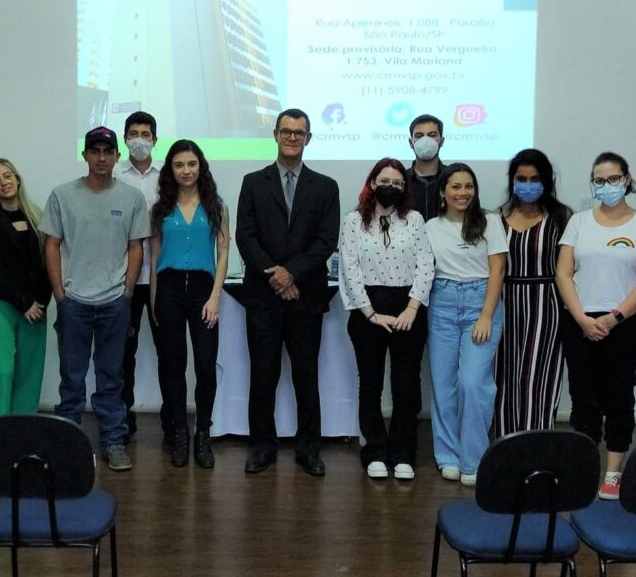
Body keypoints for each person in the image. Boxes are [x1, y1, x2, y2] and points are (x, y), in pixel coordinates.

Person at [236, 108, 340, 476]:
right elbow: (245, 237)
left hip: (306, 297)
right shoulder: (252, 182)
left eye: (299, 132)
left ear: (308, 138)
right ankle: (262, 446)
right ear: (275, 135)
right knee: (262, 375)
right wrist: (276, 277)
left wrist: (291, 274)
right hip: (263, 298)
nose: (292, 137)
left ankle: (308, 449)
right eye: (286, 131)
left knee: (305, 376)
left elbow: (326, 240)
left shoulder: (326, 186)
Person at [41, 126, 149, 471]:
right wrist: (60, 294)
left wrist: (127, 292)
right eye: (95, 151)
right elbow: (52, 245)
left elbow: (136, 248)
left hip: (114, 303)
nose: (101, 157)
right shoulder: (62, 195)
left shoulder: (132, 198)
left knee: (111, 377)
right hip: (74, 302)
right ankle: (66, 444)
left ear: (117, 156)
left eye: (108, 151)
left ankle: (114, 441)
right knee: (71, 378)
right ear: (85, 155)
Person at [555, 151, 636, 500]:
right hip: (579, 322)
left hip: (624, 325)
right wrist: (583, 318)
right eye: (599, 180)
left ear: (627, 179)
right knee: (582, 398)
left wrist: (614, 318)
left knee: (618, 397)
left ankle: (612, 473)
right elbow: (563, 273)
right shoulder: (579, 222)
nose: (606, 185)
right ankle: (584, 469)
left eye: (613, 179)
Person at [339, 158, 433, 480]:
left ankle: (403, 453)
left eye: (397, 183)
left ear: (404, 188)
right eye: (384, 181)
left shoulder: (416, 220)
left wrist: (411, 308)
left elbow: (426, 265)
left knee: (407, 384)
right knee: (371, 383)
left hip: (409, 306)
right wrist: (370, 313)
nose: (390, 187)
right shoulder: (354, 221)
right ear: (372, 182)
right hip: (368, 307)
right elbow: (349, 268)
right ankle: (375, 451)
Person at [425, 163, 507, 486]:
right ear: (443, 192)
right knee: (443, 384)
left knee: (473, 382)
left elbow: (498, 270)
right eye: (456, 187)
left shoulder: (491, 222)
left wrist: (486, 314)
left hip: (480, 301)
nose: (463, 192)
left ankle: (473, 459)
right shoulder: (430, 226)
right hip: (442, 301)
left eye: (468, 186)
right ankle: (448, 456)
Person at [150, 140, 230, 468]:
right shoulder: (160, 209)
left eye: (192, 164)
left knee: (206, 366)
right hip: (168, 288)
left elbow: (224, 253)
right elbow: (155, 256)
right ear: (171, 169)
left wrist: (215, 296)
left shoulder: (216, 205)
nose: (186, 170)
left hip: (202, 290)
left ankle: (203, 435)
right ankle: (179, 433)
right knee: (172, 366)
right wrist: (154, 300)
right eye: (179, 165)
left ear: (201, 167)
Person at [495, 149, 572, 436]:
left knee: (536, 378)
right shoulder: (497, 219)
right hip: (506, 303)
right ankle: (506, 445)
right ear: (512, 181)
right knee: (506, 376)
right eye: (521, 178)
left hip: (546, 306)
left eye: (535, 178)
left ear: (546, 181)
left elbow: (570, 269)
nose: (527, 184)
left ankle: (536, 445)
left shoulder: (562, 218)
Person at [0, 158, 51, 419]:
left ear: (17, 179)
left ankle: (22, 431)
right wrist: (23, 303)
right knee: (2, 370)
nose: (3, 183)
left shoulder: (37, 216)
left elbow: (46, 262)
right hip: (1, 306)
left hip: (36, 308)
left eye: (7, 176)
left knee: (30, 372)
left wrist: (40, 301)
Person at [115, 111, 166, 442]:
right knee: (122, 353)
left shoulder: (168, 176)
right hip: (124, 278)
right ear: (125, 139)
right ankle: (123, 419)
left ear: (155, 140)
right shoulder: (115, 176)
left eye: (145, 134)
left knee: (168, 351)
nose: (139, 139)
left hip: (163, 277)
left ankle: (172, 420)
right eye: (133, 133)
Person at [405, 114, 447, 221]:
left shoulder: (453, 178)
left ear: (441, 141)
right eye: (419, 135)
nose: (425, 140)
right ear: (411, 143)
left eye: (432, 135)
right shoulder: (401, 180)